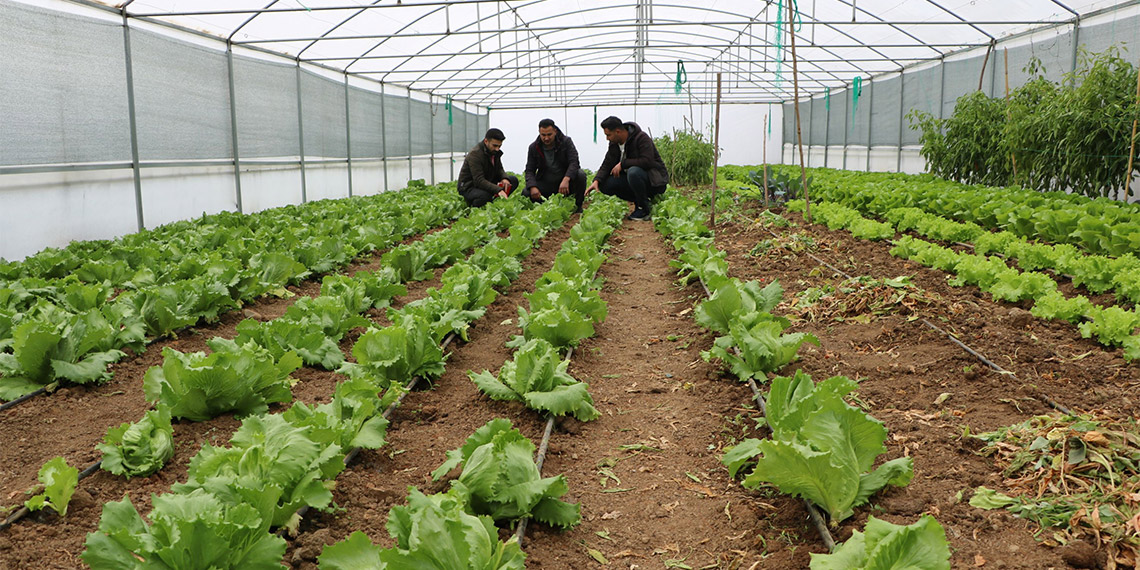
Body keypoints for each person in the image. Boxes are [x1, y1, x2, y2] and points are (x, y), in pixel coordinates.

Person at [587, 116, 669, 221]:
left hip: (654, 181)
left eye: (608, 135)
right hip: (634, 181)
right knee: (605, 184)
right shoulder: (614, 144)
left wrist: (623, 164)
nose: (607, 138)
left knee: (633, 171)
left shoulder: (641, 138)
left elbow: (647, 161)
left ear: (618, 132)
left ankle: (643, 209)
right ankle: (641, 201)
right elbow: (607, 163)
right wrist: (596, 180)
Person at [523, 118, 587, 212]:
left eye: (549, 134)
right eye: (543, 135)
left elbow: (574, 162)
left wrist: (566, 179)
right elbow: (529, 170)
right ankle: (543, 208)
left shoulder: (566, 142)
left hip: (565, 184)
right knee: (526, 192)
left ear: (555, 131)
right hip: (546, 182)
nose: (546, 138)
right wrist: (533, 186)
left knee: (580, 175)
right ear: (539, 133)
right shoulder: (534, 147)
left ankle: (578, 206)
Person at [457, 128, 519, 207]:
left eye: (499, 146)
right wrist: (498, 190)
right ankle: (474, 206)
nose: (497, 149)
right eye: (495, 145)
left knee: (512, 181)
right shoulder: (475, 154)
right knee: (485, 196)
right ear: (486, 141)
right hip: (469, 186)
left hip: (487, 180)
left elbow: (499, 169)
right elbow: (479, 180)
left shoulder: (494, 152)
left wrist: (505, 178)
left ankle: (496, 202)